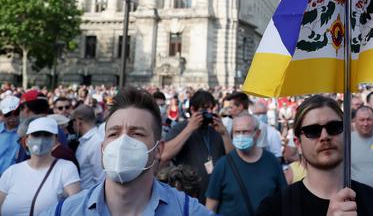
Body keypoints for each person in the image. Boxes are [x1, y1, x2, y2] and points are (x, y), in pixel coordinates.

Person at [42, 87, 212, 216]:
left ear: (158, 149)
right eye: (114, 133)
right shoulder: (65, 212)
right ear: (103, 148)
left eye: (136, 133)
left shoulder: (188, 212)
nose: (122, 142)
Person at [256, 94, 373, 215]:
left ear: (347, 136)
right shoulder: (273, 209)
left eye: (334, 127)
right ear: (298, 144)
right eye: (312, 130)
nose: (324, 136)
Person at [206, 113, 287, 215]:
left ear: (257, 133)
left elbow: (284, 200)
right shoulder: (222, 165)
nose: (241, 136)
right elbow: (210, 207)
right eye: (237, 132)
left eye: (245, 132)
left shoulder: (272, 162)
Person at [162, 89, 231, 203]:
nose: (209, 112)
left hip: (216, 195)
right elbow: (165, 155)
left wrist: (224, 133)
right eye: (204, 109)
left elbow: (233, 158)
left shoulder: (216, 129)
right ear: (193, 110)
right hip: (189, 196)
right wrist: (189, 129)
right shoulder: (180, 128)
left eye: (211, 109)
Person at [0, 117, 80, 216]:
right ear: (26, 140)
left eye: (47, 135)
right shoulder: (12, 171)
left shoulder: (66, 168)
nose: (41, 140)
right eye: (36, 135)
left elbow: (76, 207)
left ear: (55, 140)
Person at [351, 105, 373, 190]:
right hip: (357, 196)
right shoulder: (347, 141)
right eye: (362, 120)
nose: (365, 123)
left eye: (369, 119)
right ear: (355, 121)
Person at [72, 104, 105, 189]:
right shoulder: (86, 141)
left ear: (79, 122)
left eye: (73, 121)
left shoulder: (97, 142)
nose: (72, 125)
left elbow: (101, 178)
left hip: (89, 197)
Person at [0, 95, 20, 176]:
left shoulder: (28, 133)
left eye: (16, 113)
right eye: (8, 114)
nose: (12, 118)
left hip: (16, 178)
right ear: (1, 114)